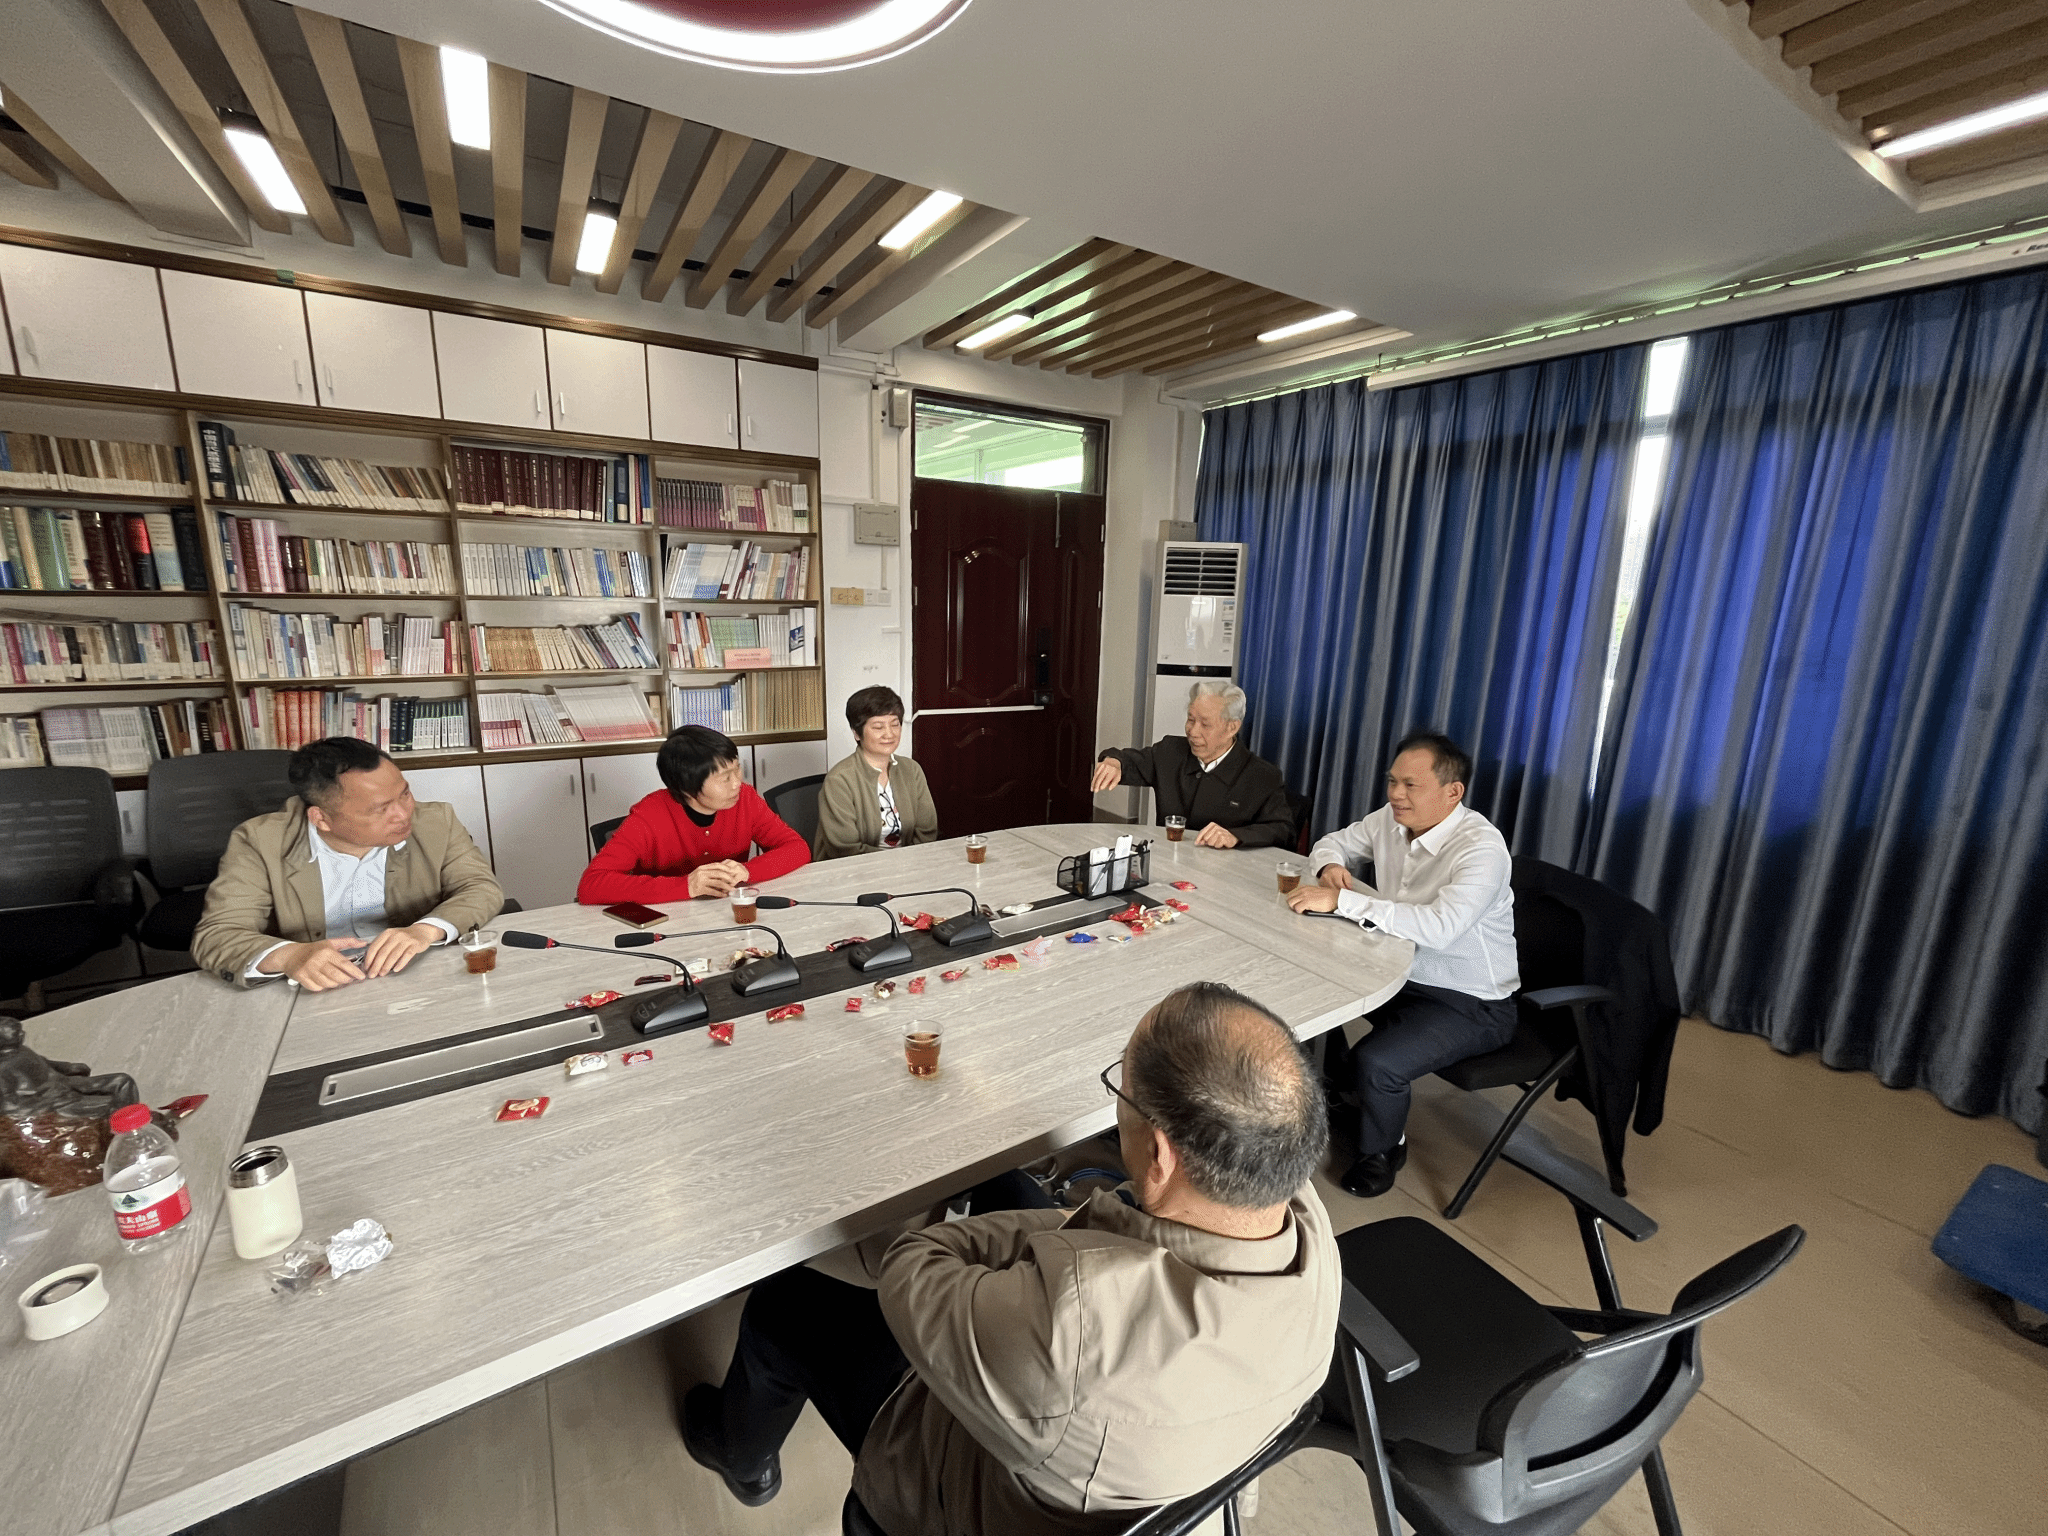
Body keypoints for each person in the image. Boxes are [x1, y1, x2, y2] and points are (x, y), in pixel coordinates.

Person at [678, 981, 1338, 1533]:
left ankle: (741, 1456)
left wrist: (1020, 1236)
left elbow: (911, 1267)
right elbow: (1085, 1251)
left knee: (783, 1307)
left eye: (1122, 1090)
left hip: (941, 1483)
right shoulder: (1306, 1228)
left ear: (1161, 1156)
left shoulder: (1072, 1328)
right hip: (1144, 1444)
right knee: (1010, 1189)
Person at [1285, 731, 1519, 1198]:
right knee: (1309, 988)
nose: (1396, 794)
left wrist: (1343, 901)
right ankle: (1339, 1088)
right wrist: (1330, 867)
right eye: (1392, 781)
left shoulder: (1481, 849)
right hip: (1401, 972)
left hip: (1471, 1000)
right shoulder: (1391, 820)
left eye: (1411, 785)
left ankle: (1383, 1150)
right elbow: (1332, 842)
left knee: (1379, 1063)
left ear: (1453, 792)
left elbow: (1440, 927)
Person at [190, 737, 504, 992]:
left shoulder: (436, 821)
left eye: (405, 793)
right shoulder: (260, 842)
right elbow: (217, 935)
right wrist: (291, 956)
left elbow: (479, 888)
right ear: (321, 818)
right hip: (316, 989)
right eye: (380, 809)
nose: (403, 814)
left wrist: (424, 931)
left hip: (414, 976)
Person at [576, 724, 809, 904]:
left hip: (729, 911)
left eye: (737, 769)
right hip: (668, 921)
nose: (737, 783)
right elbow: (591, 885)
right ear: (687, 787)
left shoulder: (745, 799)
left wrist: (748, 870)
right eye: (724, 778)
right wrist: (686, 885)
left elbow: (797, 848)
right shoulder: (648, 816)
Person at [1089, 681, 1292, 848]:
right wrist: (1114, 762)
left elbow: (1283, 830)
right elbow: (1127, 761)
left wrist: (1235, 836)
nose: (1193, 732)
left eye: (1205, 724)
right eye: (1191, 719)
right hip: (1169, 861)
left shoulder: (1262, 775)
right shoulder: (1170, 751)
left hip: (1226, 873)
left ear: (1232, 727)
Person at [814, 685, 938, 859]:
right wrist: (897, 863)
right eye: (878, 727)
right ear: (857, 733)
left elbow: (927, 832)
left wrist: (909, 864)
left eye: (895, 724)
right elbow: (845, 849)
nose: (889, 734)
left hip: (911, 864)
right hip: (856, 869)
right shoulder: (839, 780)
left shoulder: (911, 770)